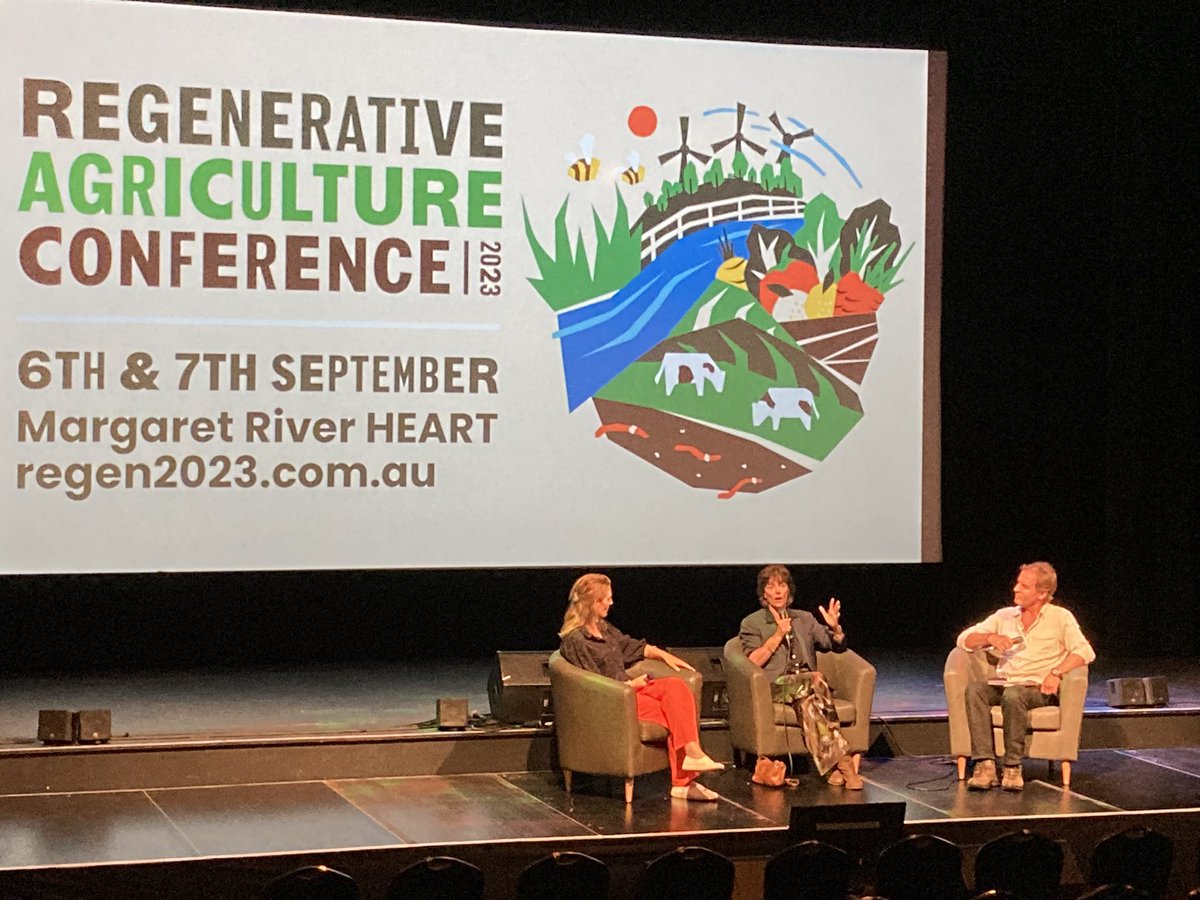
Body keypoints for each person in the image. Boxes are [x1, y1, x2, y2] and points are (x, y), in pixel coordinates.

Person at [558, 573, 725, 802]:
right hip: (613, 700)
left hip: (630, 690)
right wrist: (628, 685)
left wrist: (664, 655)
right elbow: (593, 684)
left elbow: (633, 647)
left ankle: (693, 755)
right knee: (670, 714)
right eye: (606, 599)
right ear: (593, 603)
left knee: (676, 687)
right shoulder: (576, 640)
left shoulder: (604, 628)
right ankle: (683, 782)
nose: (611, 603)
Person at [956, 561, 1096, 792]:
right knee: (976, 690)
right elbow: (964, 639)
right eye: (1017, 583)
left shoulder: (1061, 618)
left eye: (1024, 586)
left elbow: (1084, 651)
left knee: (1013, 695)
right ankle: (985, 764)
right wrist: (990, 637)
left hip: (1039, 689)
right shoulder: (1005, 616)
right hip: (1006, 683)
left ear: (1042, 593)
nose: (1015, 589)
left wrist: (1056, 672)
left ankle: (1012, 766)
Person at [738, 564, 863, 789]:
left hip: (808, 690)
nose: (777, 591)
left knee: (808, 705)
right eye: (771, 587)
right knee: (816, 679)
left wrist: (836, 629)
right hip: (776, 686)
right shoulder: (753, 623)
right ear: (763, 593)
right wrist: (777, 635)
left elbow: (833, 646)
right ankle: (846, 763)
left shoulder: (804, 619)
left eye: (782, 585)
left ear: (789, 590)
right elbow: (753, 662)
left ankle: (836, 768)